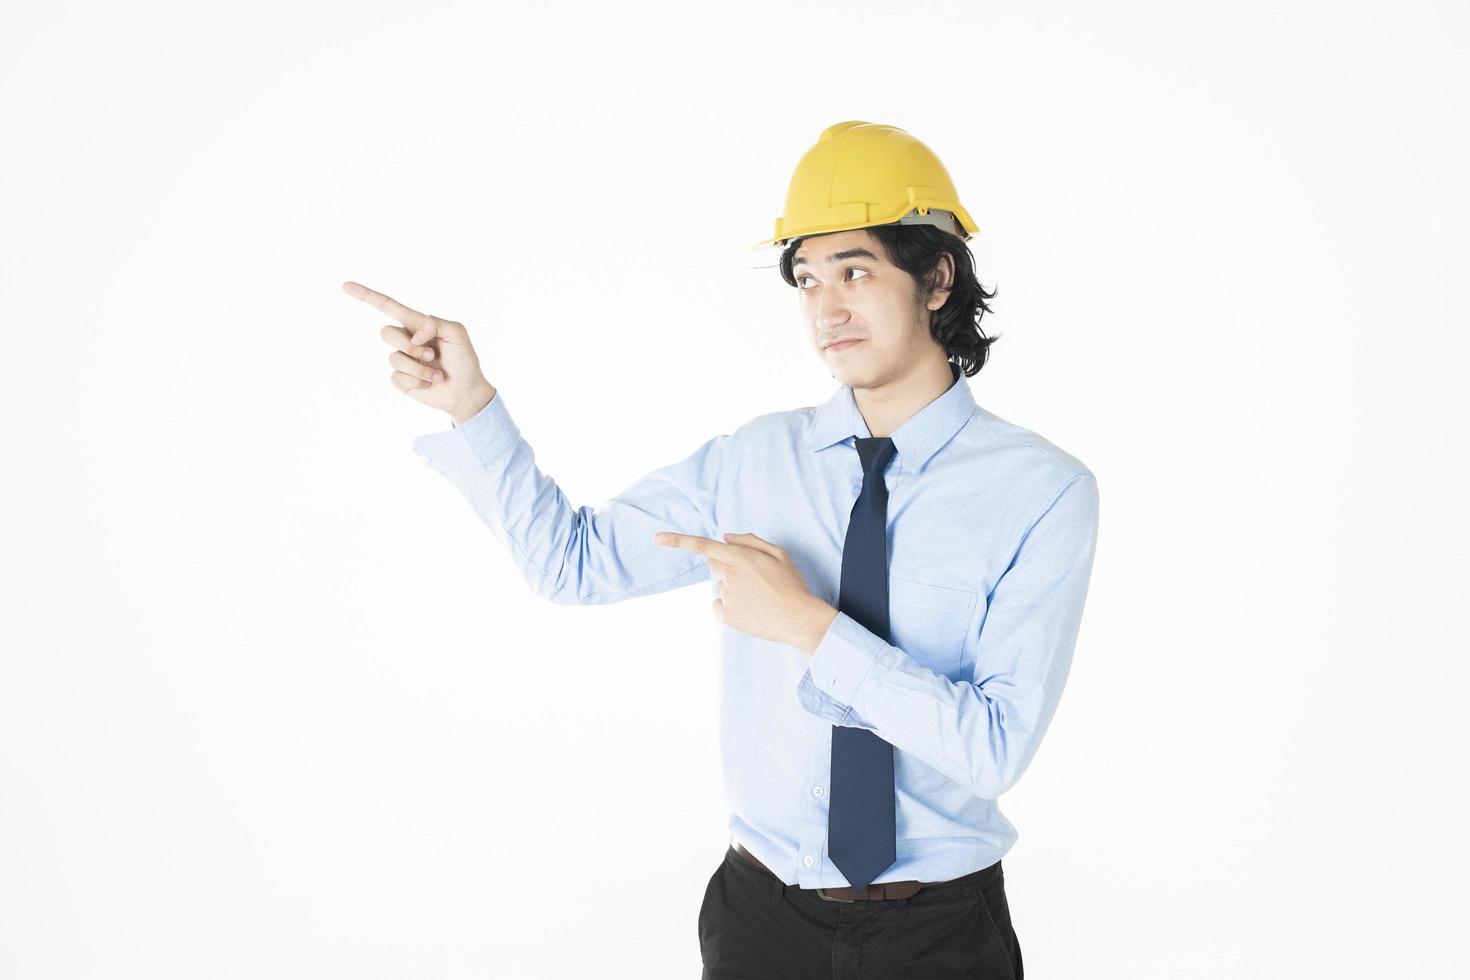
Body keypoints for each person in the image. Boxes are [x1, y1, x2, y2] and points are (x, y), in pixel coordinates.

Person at [344, 121, 1099, 979]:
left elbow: (993, 749)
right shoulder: (753, 461)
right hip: (761, 924)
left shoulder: (1042, 490)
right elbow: (572, 565)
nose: (827, 309)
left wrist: (810, 626)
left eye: (855, 270)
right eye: (807, 279)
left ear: (936, 278)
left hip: (941, 934)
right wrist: (472, 406)